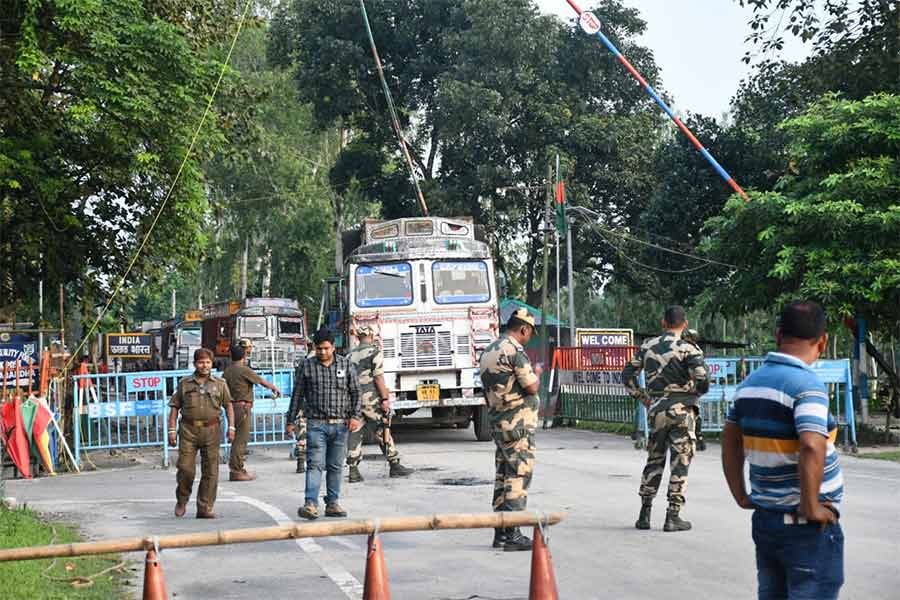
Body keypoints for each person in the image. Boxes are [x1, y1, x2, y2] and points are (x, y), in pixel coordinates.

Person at [722, 301, 844, 599]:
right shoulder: (808, 386)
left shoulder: (749, 384)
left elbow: (730, 440)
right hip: (804, 528)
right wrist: (811, 505)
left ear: (778, 335)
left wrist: (740, 493)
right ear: (823, 341)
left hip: (767, 521)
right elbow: (812, 444)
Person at [622, 305, 709, 532]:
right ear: (685, 324)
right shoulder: (689, 349)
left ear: (663, 323)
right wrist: (693, 394)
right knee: (680, 461)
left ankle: (645, 513)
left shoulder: (648, 346)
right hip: (682, 411)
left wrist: (644, 397)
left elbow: (626, 375)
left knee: (655, 459)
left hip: (657, 410)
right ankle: (673, 515)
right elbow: (703, 380)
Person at [478, 307, 542, 551]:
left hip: (499, 422)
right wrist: (536, 373)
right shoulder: (515, 351)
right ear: (523, 329)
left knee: (503, 476)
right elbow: (531, 387)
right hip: (518, 425)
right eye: (529, 333)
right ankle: (513, 532)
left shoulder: (489, 351)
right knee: (518, 475)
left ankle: (501, 531)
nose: (529, 337)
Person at [286, 328, 362, 520]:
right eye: (319, 349)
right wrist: (290, 420)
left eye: (326, 348)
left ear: (333, 347)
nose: (323, 352)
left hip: (341, 425)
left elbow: (356, 393)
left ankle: (333, 503)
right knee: (315, 464)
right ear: (314, 347)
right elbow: (297, 395)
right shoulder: (307, 366)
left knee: (336, 466)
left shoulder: (346, 365)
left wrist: (355, 416)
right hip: (316, 425)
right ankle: (310, 503)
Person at [167, 348, 235, 519]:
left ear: (212, 364)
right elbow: (175, 407)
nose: (204, 366)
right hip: (188, 430)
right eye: (201, 362)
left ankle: (204, 507)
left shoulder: (220, 384)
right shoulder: (185, 384)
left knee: (211, 471)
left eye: (207, 362)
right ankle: (182, 499)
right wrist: (172, 430)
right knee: (185, 468)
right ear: (195, 364)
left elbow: (228, 406)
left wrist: (231, 427)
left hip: (212, 431)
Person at [346, 325, 413, 482]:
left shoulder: (349, 356)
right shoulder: (374, 352)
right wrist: (384, 399)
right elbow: (378, 378)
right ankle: (394, 464)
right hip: (371, 399)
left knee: (355, 432)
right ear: (371, 336)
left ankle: (353, 470)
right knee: (383, 429)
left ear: (358, 337)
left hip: (353, 400)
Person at [223, 343, 282, 481]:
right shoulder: (243, 369)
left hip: (232, 407)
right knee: (240, 440)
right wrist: (274, 388)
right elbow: (260, 380)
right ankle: (236, 470)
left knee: (237, 438)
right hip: (242, 407)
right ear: (244, 355)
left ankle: (238, 468)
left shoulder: (227, 370)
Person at [682, 328, 707, 452]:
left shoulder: (691, 349)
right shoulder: (696, 349)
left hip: (690, 385)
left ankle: (697, 437)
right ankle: (697, 437)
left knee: (693, 412)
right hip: (692, 385)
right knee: (693, 411)